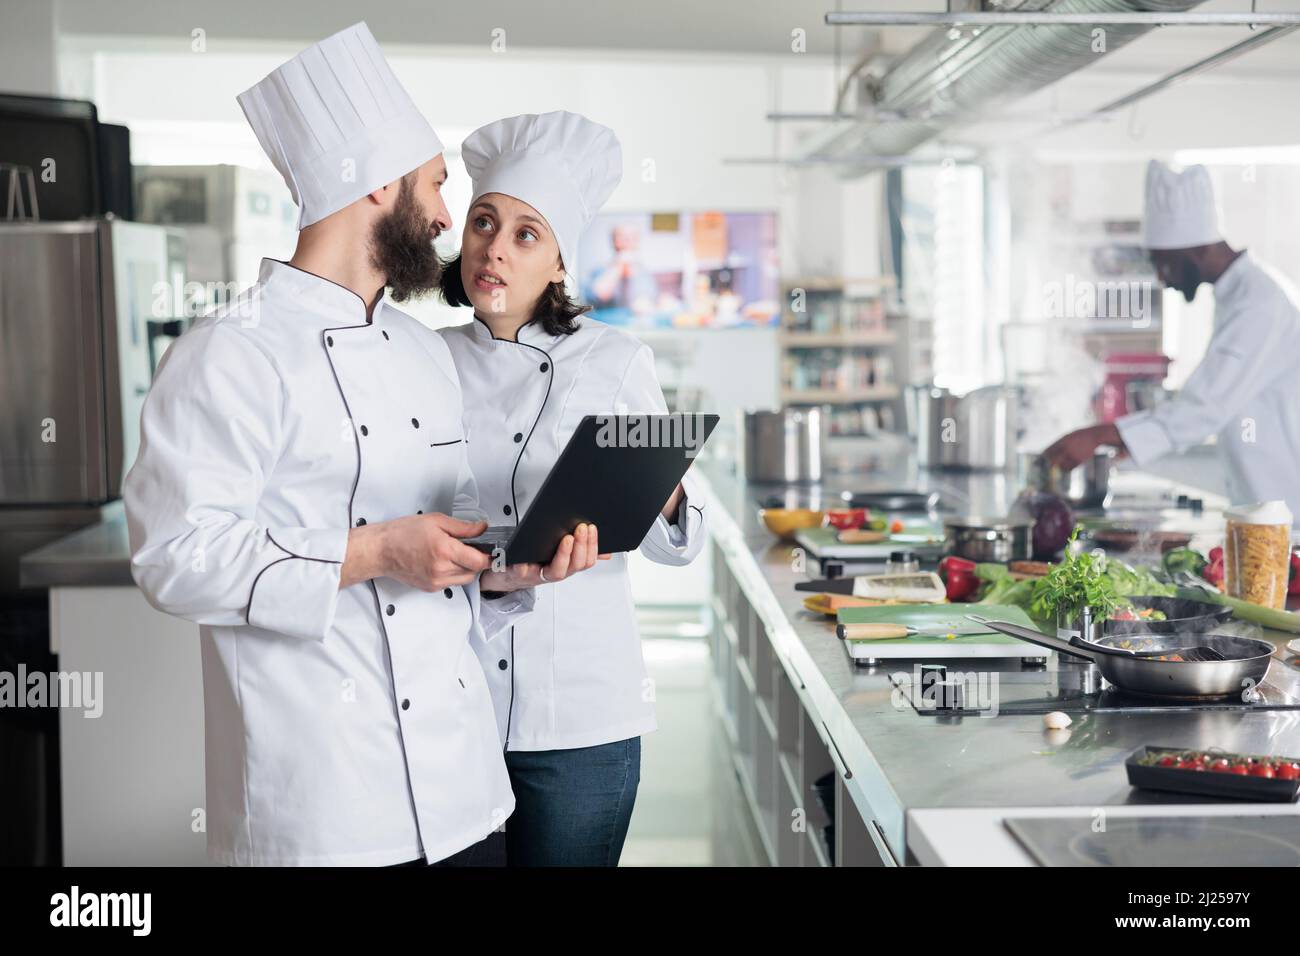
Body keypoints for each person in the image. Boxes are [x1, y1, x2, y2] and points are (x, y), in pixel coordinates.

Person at [123, 24, 598, 867]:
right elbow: (175, 557)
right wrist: (373, 551)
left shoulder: (421, 352)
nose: (452, 219)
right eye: (439, 188)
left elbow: (439, 559)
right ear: (381, 184)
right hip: (323, 810)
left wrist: (501, 573)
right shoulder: (228, 350)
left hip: (466, 798)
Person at [437, 111, 708, 866]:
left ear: (559, 262)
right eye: (483, 223)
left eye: (526, 233)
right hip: (452, 708)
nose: (494, 248)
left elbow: (679, 546)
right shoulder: (418, 361)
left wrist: (660, 489)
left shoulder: (617, 360)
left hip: (584, 717)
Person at [1044, 160, 1300, 519]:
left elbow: (1205, 407)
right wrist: (1123, 439)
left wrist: (1103, 434)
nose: (1164, 280)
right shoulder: (1239, 295)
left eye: (1164, 264)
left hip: (1288, 512)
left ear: (1195, 250)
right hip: (1265, 511)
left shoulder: (1259, 303)